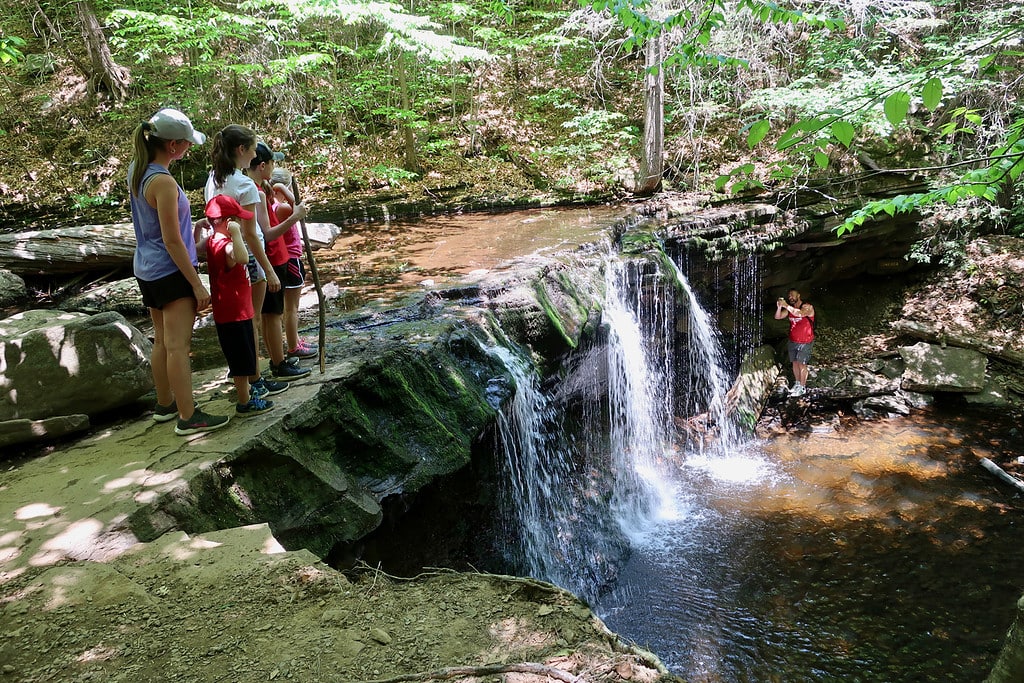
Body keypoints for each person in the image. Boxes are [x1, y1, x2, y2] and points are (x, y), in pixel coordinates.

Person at [127, 108, 230, 437]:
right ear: (172, 145)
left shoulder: (138, 170)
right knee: (177, 346)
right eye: (186, 143)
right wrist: (196, 284)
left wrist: (191, 226)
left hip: (146, 267)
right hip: (170, 271)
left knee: (161, 341)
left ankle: (165, 403)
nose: (189, 148)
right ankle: (188, 417)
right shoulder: (164, 182)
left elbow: (161, 227)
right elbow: (171, 241)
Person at [205, 126, 301, 396]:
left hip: (222, 254)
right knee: (251, 320)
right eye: (252, 148)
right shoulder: (243, 184)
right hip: (246, 257)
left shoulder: (214, 178)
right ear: (241, 150)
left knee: (244, 320)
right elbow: (251, 233)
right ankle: (255, 379)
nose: (253, 154)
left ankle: (249, 376)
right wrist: (268, 270)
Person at [204, 195, 275, 416]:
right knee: (241, 358)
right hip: (234, 313)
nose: (241, 223)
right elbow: (243, 258)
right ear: (227, 222)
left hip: (235, 311)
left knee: (242, 355)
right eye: (236, 219)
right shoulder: (224, 245)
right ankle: (244, 402)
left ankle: (247, 395)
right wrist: (236, 234)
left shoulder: (212, 240)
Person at [246, 143, 315, 367]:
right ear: (263, 165)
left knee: (271, 313)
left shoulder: (258, 190)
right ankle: (281, 360)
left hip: (277, 258)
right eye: (272, 162)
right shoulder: (257, 194)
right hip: (274, 258)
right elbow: (268, 231)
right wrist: (294, 210)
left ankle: (278, 357)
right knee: (274, 313)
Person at [269, 167, 316, 359]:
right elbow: (300, 207)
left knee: (289, 307)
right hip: (291, 260)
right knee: (292, 308)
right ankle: (293, 346)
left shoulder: (270, 207)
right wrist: (284, 188)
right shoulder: (283, 208)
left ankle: (293, 340)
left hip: (285, 259)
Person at [775, 288, 815, 396]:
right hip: (793, 340)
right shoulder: (790, 309)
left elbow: (800, 314)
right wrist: (779, 307)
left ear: (799, 295)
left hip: (805, 341)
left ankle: (802, 387)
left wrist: (786, 305)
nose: (791, 298)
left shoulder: (807, 307)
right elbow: (777, 317)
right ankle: (797, 384)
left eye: (793, 295)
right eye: (789, 296)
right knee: (795, 363)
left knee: (802, 364)